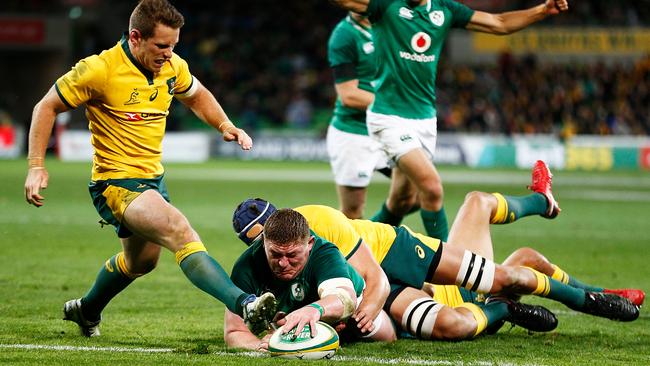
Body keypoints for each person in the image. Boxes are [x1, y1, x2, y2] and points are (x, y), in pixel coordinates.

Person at [22, 0, 276, 337]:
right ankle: (245, 304)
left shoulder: (172, 66)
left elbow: (197, 95)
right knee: (179, 230)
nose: (169, 54)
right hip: (116, 183)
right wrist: (36, 166)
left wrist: (224, 124)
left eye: (173, 46)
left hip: (152, 180)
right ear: (135, 37)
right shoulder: (99, 70)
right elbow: (46, 106)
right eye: (161, 45)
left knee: (141, 262)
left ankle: (87, 310)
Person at [232, 162, 641, 341]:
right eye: (257, 243)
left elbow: (372, 276)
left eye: (262, 233)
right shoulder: (268, 261)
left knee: (504, 273)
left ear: (282, 219)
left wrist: (364, 311)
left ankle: (593, 298)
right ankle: (503, 308)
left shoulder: (319, 222)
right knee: (451, 326)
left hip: (393, 253)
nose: (270, 253)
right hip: (386, 288)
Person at [327, 0, 570, 242]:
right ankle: (450, 271)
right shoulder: (385, 6)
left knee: (402, 201)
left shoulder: (445, 10)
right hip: (388, 118)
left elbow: (499, 22)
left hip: (423, 120)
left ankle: (366, 253)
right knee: (431, 188)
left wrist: (541, 11)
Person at [224, 209, 397, 351]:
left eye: (292, 255)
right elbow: (234, 330)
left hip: (353, 311)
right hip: (296, 319)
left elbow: (344, 299)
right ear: (263, 244)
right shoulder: (246, 267)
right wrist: (258, 345)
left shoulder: (324, 252)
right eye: (275, 254)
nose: (283, 263)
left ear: (310, 244)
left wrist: (313, 310)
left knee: (389, 334)